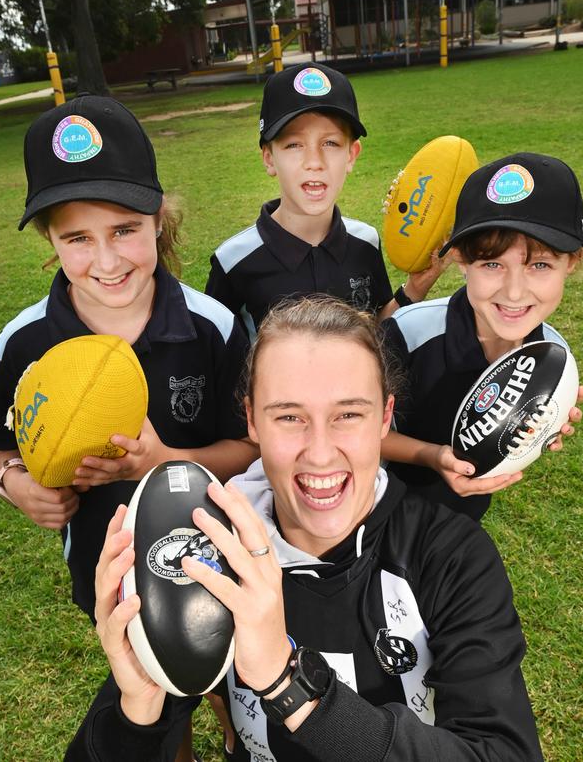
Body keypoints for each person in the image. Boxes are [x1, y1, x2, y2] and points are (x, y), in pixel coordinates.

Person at [66, 296, 544, 761]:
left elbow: (502, 749)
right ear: (252, 420)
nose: (319, 452)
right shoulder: (208, 547)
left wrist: (286, 682)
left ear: (384, 417)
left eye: (348, 415)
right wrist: (137, 709)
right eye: (290, 417)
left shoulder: (448, 554)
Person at [0, 93, 258, 623]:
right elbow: (5, 448)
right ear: (51, 239)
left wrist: (162, 461)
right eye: (79, 238)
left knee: (226, 682)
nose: (107, 261)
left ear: (157, 219)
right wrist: (15, 484)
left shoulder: (212, 327)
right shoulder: (22, 342)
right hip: (103, 566)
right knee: (143, 689)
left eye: (125, 229)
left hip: (211, 553)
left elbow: (251, 449)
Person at [381, 152, 583, 521]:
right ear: (460, 259)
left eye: (539, 264)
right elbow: (345, 427)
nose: (513, 292)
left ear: (571, 262)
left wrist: (545, 425)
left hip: (459, 519)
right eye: (492, 264)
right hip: (370, 507)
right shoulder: (408, 332)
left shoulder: (553, 355)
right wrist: (432, 455)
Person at [205, 63, 439, 340]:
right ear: (269, 158)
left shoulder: (366, 242)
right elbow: (220, 357)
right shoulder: (234, 261)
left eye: (330, 143)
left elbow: (373, 330)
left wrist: (415, 286)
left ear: (351, 155)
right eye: (294, 145)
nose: (314, 162)